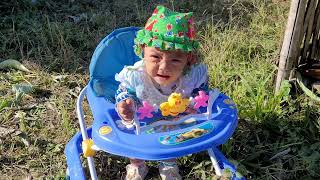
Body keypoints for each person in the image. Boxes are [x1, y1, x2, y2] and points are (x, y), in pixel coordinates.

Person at [115, 5, 208, 180]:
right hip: (141, 120)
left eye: (175, 59)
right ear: (143, 51)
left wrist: (194, 104)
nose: (164, 67)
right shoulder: (136, 76)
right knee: (135, 141)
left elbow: (201, 92)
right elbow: (123, 91)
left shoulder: (191, 77)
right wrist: (125, 103)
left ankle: (168, 164)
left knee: (170, 139)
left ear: (189, 60)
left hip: (173, 121)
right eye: (155, 57)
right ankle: (137, 164)